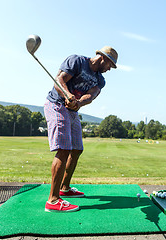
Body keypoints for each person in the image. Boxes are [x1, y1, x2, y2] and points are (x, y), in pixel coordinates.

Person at [43, 46, 118, 212]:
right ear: (103, 58)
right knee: (63, 149)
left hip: (72, 110)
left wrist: (79, 103)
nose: (108, 70)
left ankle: (65, 188)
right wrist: (68, 95)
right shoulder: (76, 61)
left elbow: (91, 95)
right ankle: (53, 200)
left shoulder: (100, 80)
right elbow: (59, 81)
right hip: (57, 105)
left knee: (76, 149)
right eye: (109, 66)